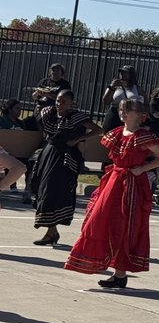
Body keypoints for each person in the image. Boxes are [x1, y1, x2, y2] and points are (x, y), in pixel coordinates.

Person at [63, 100, 159, 287]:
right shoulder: (117, 133)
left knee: (123, 225)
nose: (123, 112)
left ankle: (119, 274)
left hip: (129, 184)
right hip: (113, 180)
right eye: (122, 109)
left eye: (128, 109)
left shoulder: (142, 136)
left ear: (138, 114)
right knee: (97, 219)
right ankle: (101, 263)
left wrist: (143, 168)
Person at [31, 90, 100, 246]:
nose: (59, 104)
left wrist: (77, 139)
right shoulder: (49, 113)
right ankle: (52, 231)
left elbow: (98, 130)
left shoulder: (76, 117)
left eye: (63, 102)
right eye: (58, 101)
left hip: (65, 158)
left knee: (55, 190)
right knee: (42, 188)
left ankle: (51, 232)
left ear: (71, 103)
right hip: (48, 154)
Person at [100, 65, 141, 132]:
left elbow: (145, 103)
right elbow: (106, 101)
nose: (122, 74)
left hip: (129, 115)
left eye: (125, 72)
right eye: (121, 72)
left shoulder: (136, 88)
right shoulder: (114, 86)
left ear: (131, 75)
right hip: (115, 114)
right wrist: (112, 87)